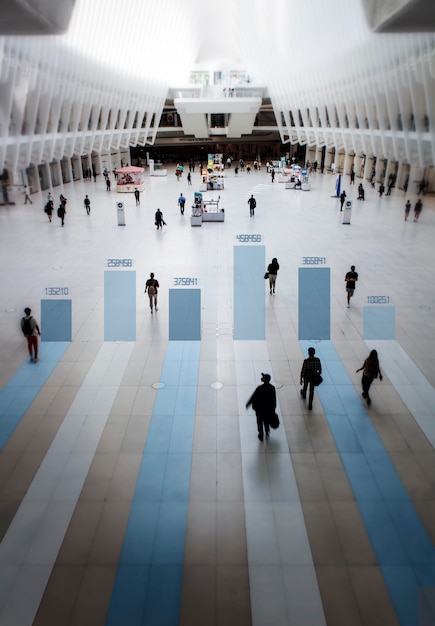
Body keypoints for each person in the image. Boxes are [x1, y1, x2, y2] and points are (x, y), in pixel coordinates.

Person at [245, 373, 277, 441]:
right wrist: (273, 408)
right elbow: (274, 399)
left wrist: (248, 403)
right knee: (266, 421)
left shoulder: (260, 388)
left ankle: (261, 434)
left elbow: (253, 397)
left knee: (259, 422)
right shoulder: (272, 388)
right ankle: (267, 431)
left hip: (259, 410)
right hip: (268, 410)